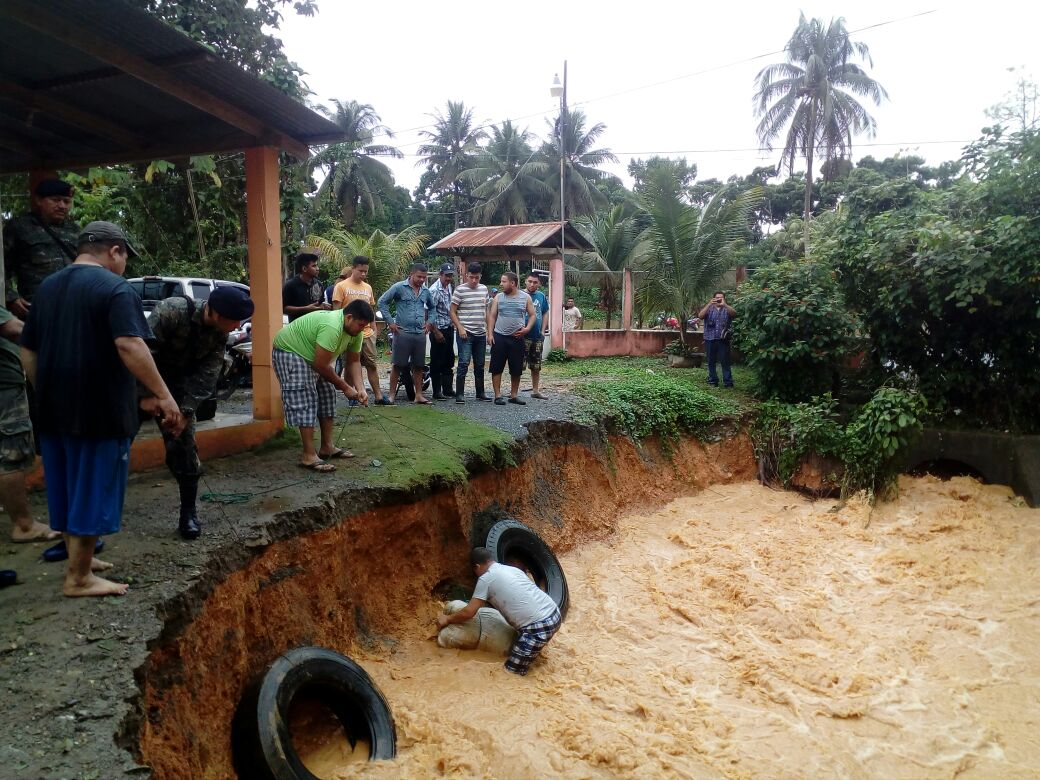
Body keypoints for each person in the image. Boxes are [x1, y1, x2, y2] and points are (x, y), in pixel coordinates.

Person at [19, 222, 184, 598]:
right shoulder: (114, 288)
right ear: (114, 251)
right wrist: (164, 395)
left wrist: (45, 389)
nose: (125, 264)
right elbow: (130, 345)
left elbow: (28, 349)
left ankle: (82, 558)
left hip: (52, 408)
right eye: (125, 256)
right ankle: (78, 579)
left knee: (65, 486)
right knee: (94, 487)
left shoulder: (46, 287)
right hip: (99, 410)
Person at [145, 286, 255, 539]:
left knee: (185, 451)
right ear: (214, 312)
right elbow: (141, 353)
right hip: (142, 384)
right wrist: (149, 396)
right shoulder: (172, 311)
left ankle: (188, 513)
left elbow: (208, 373)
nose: (238, 324)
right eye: (234, 319)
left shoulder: (219, 333)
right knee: (114, 448)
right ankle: (92, 527)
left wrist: (185, 412)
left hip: (179, 390)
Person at [272, 299, 373, 472]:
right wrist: (346, 387)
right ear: (349, 318)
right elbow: (320, 365)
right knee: (306, 398)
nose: (362, 329)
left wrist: (360, 388)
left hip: (315, 357)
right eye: (360, 325)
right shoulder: (332, 327)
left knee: (327, 394)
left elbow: (354, 361)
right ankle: (308, 455)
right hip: (290, 351)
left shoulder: (356, 333)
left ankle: (327, 446)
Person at [436, 547, 562, 676]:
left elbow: (469, 612)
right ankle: (533, 651)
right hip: (554, 613)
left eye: (475, 571)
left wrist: (447, 619)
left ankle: (527, 656)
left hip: (538, 627)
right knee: (526, 652)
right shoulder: (512, 570)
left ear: (477, 566)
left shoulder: (486, 579)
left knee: (511, 674)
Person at [0, 304, 59, 543]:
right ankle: (24, 525)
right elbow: (14, 329)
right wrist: (62, 340)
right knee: (11, 454)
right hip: (4, 385)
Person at [3, 178, 80, 320]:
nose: (62, 206)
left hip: (74, 307)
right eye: (56, 200)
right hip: (37, 308)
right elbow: (2, 268)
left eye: (67, 201)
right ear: (39, 200)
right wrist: (11, 298)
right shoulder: (20, 227)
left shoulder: (75, 230)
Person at [332, 256, 388, 405]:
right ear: (353, 269)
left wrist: (375, 330)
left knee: (371, 364)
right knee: (350, 364)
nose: (363, 274)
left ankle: (378, 396)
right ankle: (352, 396)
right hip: (349, 333)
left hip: (368, 333)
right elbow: (336, 311)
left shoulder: (367, 287)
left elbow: (371, 310)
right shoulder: (341, 286)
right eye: (361, 271)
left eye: (366, 272)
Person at [378, 263, 433, 405]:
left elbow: (433, 308)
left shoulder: (426, 291)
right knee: (397, 364)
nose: (422, 280)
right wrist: (390, 322)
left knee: (419, 365)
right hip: (402, 332)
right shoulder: (399, 287)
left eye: (424, 277)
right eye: (419, 277)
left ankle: (419, 395)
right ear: (411, 274)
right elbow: (382, 302)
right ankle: (391, 395)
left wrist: (429, 322)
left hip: (420, 333)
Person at [488, 272, 536, 406]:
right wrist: (490, 334)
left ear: (512, 283)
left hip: (517, 338)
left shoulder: (525, 297)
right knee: (496, 367)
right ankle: (498, 395)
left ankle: (514, 395)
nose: (501, 284)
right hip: (499, 336)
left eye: (503, 282)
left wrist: (527, 329)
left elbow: (532, 315)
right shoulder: (498, 297)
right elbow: (492, 316)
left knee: (516, 368)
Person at [449, 262, 491, 404]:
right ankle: (460, 394)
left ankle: (480, 392)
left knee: (479, 364)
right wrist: (460, 328)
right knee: (464, 362)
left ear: (480, 276)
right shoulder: (460, 290)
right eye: (471, 277)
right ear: (466, 276)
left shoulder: (484, 289)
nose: (474, 280)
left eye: (477, 278)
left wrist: (489, 330)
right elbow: (452, 311)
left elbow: (486, 311)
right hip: (465, 333)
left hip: (480, 333)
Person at [428, 263, 456, 401]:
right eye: (446, 276)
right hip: (438, 329)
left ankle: (448, 389)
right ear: (440, 275)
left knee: (449, 359)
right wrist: (435, 331)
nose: (449, 278)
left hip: (448, 327)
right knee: (437, 361)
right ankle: (437, 391)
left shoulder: (448, 286)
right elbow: (427, 312)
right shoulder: (434, 290)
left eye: (451, 276)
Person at [699, 290, 737, 388]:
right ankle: (713, 381)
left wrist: (725, 305)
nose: (719, 299)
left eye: (721, 297)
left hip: (723, 339)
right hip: (709, 338)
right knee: (711, 361)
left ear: (724, 298)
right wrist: (709, 304)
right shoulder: (710, 308)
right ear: (714, 298)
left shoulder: (726, 309)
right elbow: (700, 316)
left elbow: (734, 314)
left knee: (725, 361)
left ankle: (728, 382)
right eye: (717, 297)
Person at [522, 274, 550, 400]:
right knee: (518, 364)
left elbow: (545, 312)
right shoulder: (519, 295)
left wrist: (543, 331)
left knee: (536, 365)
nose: (532, 284)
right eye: (530, 282)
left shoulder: (541, 296)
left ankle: (535, 390)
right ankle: (514, 392)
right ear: (525, 282)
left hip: (537, 336)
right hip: (522, 336)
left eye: (535, 282)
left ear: (539, 283)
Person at [282, 251, 329, 323]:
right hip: (297, 329)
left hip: (315, 326)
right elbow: (284, 309)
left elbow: (320, 303)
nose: (317, 269)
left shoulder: (318, 284)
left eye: (317, 265)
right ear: (304, 269)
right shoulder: (290, 285)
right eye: (314, 266)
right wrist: (305, 309)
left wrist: (323, 306)